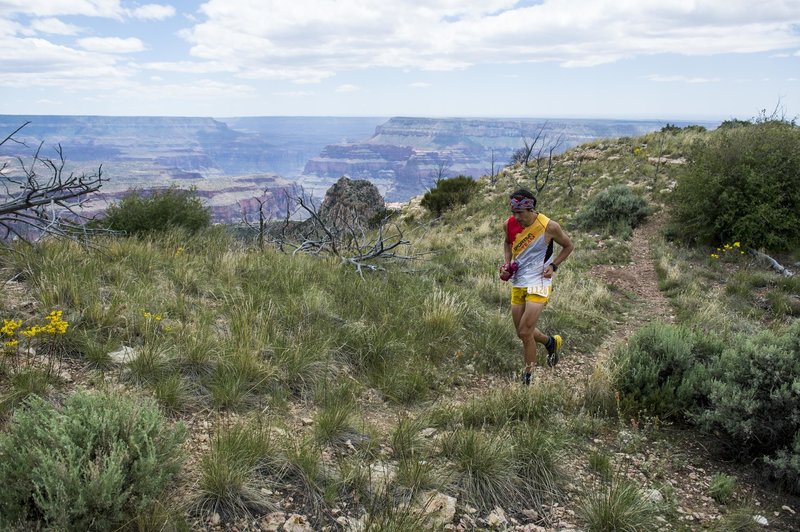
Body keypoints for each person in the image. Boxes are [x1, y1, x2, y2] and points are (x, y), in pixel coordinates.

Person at [501, 188, 573, 385]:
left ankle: (528, 378)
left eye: (520, 213)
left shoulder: (549, 226)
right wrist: (507, 264)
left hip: (540, 281)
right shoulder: (509, 224)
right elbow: (507, 243)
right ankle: (551, 342)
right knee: (522, 332)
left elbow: (568, 245)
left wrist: (554, 265)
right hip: (518, 281)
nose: (517, 217)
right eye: (513, 212)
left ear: (530, 209)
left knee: (525, 331)